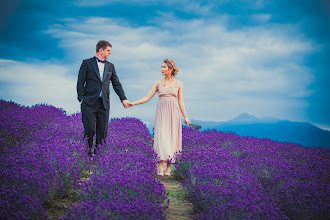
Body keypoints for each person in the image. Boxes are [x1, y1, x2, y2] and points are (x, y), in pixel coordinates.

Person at [128, 59, 190, 176]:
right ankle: (160, 165)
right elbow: (147, 97)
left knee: (172, 137)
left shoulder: (179, 84)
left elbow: (181, 101)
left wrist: (186, 117)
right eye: (161, 67)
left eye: (164, 67)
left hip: (174, 113)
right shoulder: (158, 83)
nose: (162, 69)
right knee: (161, 136)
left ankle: (169, 166)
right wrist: (133, 103)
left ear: (170, 69)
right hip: (162, 112)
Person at [77, 40, 129, 157]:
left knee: (102, 132)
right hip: (89, 102)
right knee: (89, 130)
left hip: (104, 104)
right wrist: (81, 98)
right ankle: (87, 156)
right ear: (101, 50)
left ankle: (100, 158)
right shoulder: (87, 63)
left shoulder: (111, 66)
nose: (110, 53)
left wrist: (123, 99)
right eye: (108, 50)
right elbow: (80, 82)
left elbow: (116, 84)